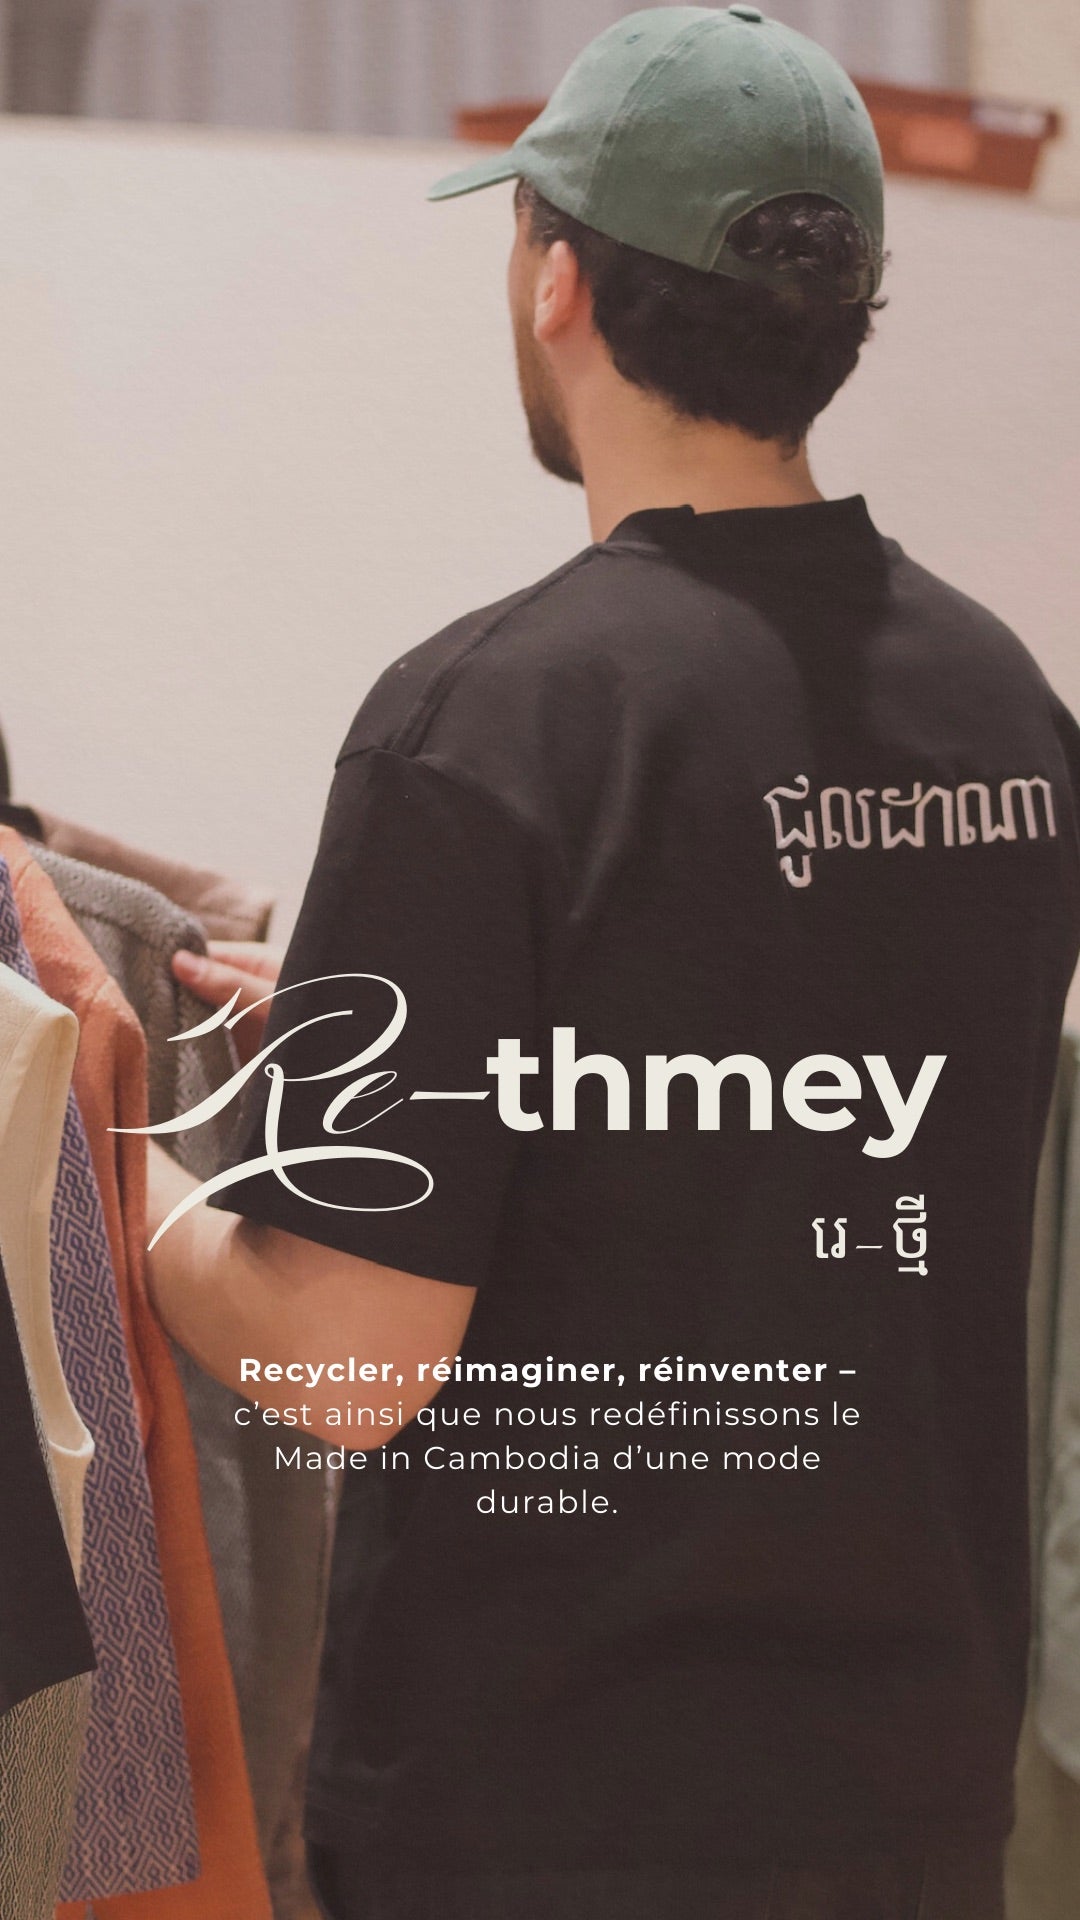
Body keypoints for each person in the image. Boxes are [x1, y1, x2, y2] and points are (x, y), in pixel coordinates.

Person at [148, 9, 1080, 1918]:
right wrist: (400, 1010)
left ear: (555, 279)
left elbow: (346, 1367)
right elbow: (778, 1018)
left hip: (550, 1812)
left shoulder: (492, 726)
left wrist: (129, 1176)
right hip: (911, 1799)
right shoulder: (1007, 710)